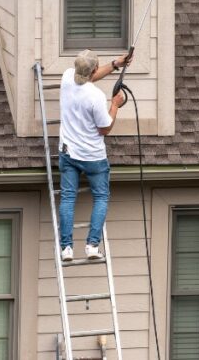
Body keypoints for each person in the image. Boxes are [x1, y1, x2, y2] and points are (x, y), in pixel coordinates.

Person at [58, 49, 130, 261]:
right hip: (92, 158)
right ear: (94, 70)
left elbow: (90, 77)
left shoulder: (67, 77)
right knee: (100, 197)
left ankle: (66, 249)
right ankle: (91, 246)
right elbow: (105, 129)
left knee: (68, 197)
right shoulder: (96, 96)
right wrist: (115, 105)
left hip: (68, 152)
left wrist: (116, 64)